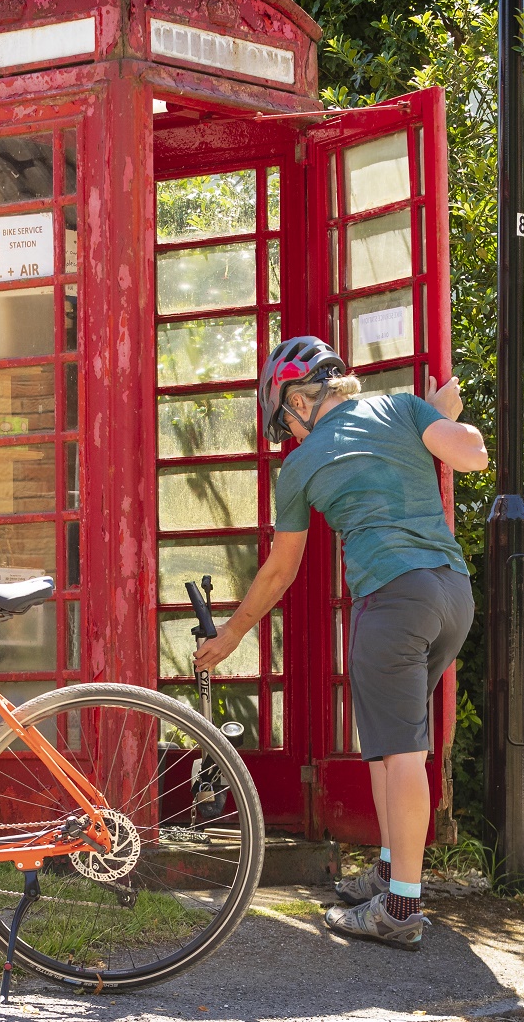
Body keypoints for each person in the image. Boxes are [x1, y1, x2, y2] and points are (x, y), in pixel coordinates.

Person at [194, 335, 488, 950]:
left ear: (302, 397)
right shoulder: (402, 409)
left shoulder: (300, 467)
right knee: (389, 747)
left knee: (400, 753)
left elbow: (280, 572)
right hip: (451, 593)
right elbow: (471, 456)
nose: (288, 434)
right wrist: (441, 417)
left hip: (391, 600)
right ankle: (388, 873)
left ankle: (401, 910)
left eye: (284, 418)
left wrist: (231, 635)